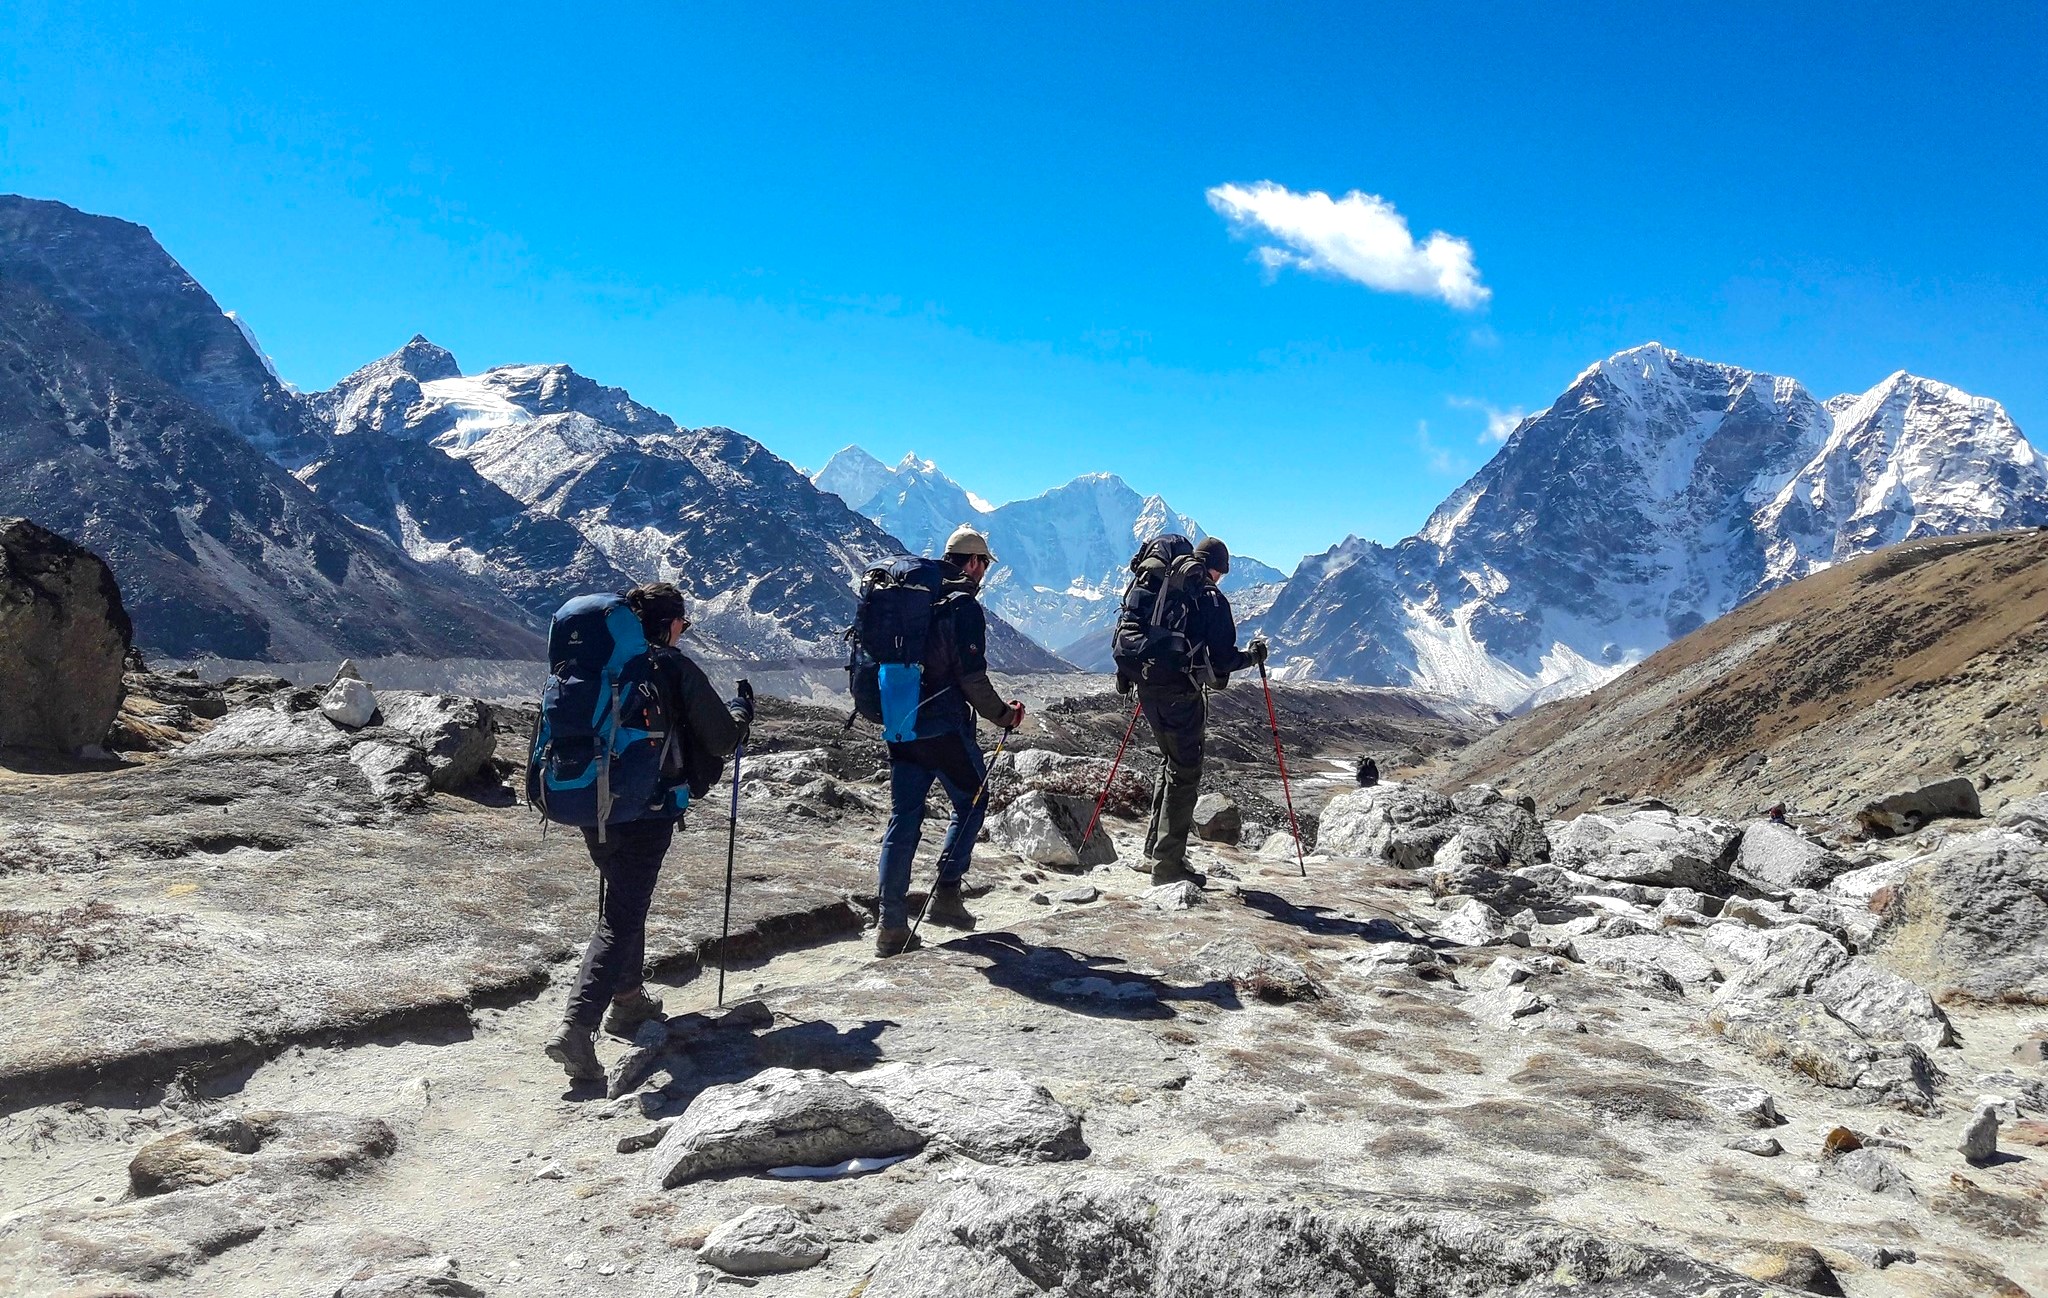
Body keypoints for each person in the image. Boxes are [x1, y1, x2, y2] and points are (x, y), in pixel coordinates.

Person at [544, 582, 754, 1082]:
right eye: (682, 623)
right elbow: (722, 736)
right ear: (667, 624)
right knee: (621, 915)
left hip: (591, 800)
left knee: (622, 898)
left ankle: (629, 1001)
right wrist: (744, 712)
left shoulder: (601, 667)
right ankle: (576, 1028)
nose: (684, 632)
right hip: (648, 809)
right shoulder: (670, 665)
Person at [873, 525, 1026, 956]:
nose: (983, 573)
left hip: (901, 725)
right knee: (973, 802)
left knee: (904, 818)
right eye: (984, 565)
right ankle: (946, 892)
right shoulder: (963, 607)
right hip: (944, 729)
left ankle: (890, 924)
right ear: (974, 563)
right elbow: (971, 677)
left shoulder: (913, 597)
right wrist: (1003, 715)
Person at [1137, 537, 1264, 887]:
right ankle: (1168, 865)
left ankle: (1154, 850)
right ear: (1216, 569)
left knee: (1170, 763)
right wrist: (1252, 657)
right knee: (1185, 773)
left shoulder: (1162, 585)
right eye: (1221, 573)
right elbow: (1223, 659)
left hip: (1147, 687)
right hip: (1181, 693)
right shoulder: (1208, 597)